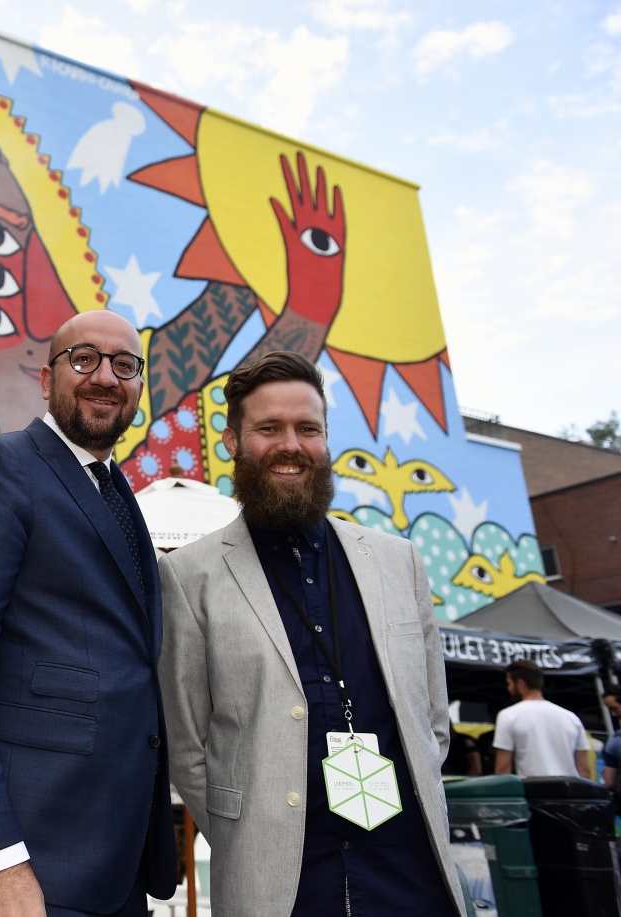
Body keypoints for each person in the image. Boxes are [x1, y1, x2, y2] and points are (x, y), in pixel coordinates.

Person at [158, 351, 464, 917]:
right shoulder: (186, 576)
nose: (290, 445)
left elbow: (433, 724)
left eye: (307, 428)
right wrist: (248, 831)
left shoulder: (400, 562)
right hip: (279, 883)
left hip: (410, 873)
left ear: (325, 439)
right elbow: (188, 745)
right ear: (232, 441)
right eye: (268, 428)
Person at [0, 309, 177, 917]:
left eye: (124, 365)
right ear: (46, 379)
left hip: (114, 865)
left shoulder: (117, 492)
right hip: (28, 868)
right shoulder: (0, 467)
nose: (104, 377)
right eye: (83, 359)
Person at [493, 659, 590, 778]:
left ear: (520, 684)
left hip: (534, 791)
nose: (509, 689)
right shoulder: (572, 718)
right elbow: (584, 770)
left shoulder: (508, 716)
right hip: (570, 792)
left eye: (509, 684)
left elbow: (503, 767)